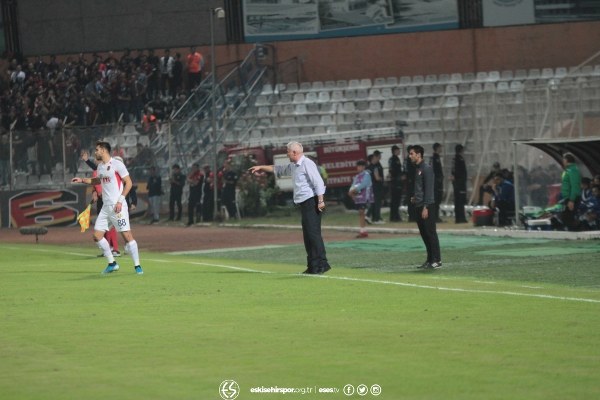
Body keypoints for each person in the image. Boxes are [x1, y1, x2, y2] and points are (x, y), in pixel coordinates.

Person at [249, 141, 331, 275]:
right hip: (304, 203)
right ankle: (312, 265)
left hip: (312, 201)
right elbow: (277, 169)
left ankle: (322, 263)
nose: (286, 153)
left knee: (313, 234)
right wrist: (261, 167)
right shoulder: (294, 166)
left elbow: (318, 182)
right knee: (307, 235)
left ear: (294, 152)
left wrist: (321, 201)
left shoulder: (307, 163)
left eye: (287, 151)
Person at [72, 141, 143, 275]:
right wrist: (82, 180)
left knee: (127, 236)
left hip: (118, 207)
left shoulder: (117, 164)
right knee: (96, 235)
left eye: (97, 150)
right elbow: (97, 180)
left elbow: (129, 183)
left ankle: (137, 266)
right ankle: (112, 263)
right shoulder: (100, 167)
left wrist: (120, 201)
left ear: (104, 150)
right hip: (106, 207)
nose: (95, 152)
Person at [81, 150, 121, 258]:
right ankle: (109, 249)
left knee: (110, 225)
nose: (95, 160)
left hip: (108, 200)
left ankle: (115, 249)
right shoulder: (98, 171)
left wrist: (87, 161)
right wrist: (95, 193)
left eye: (96, 159)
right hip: (101, 200)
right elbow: (96, 183)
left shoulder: (107, 170)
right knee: (105, 226)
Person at [409, 145, 442, 270]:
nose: (410, 156)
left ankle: (437, 260)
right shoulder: (417, 168)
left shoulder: (426, 168)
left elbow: (429, 189)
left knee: (430, 233)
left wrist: (426, 206)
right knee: (424, 234)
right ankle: (430, 259)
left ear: (419, 154)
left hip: (426, 206)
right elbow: (420, 188)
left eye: (412, 153)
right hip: (419, 205)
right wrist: (415, 198)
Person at [349, 160, 374, 238]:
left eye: (360, 166)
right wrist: (350, 191)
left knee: (361, 212)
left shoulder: (367, 175)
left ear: (363, 167)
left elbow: (364, 184)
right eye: (358, 166)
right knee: (360, 213)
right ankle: (363, 231)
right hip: (359, 197)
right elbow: (353, 185)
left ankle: (363, 231)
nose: (358, 168)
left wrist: (354, 191)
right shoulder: (357, 176)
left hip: (365, 196)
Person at [560, 152, 582, 230]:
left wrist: (572, 200)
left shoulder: (573, 170)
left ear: (566, 160)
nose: (562, 161)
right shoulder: (568, 170)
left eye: (563, 159)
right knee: (566, 217)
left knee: (567, 217)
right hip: (568, 198)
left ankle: (577, 232)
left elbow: (574, 186)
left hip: (572, 198)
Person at [451, 144, 468, 223]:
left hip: (456, 183)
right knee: (461, 201)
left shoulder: (454, 159)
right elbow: (461, 172)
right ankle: (461, 218)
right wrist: (462, 181)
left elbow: (453, 171)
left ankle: (457, 218)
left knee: (457, 201)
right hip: (460, 183)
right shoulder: (460, 159)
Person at [367, 150, 384, 224]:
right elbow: (377, 178)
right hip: (376, 186)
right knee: (377, 203)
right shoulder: (375, 167)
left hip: (371, 187)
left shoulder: (369, 167)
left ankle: (373, 217)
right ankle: (376, 219)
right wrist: (382, 178)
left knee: (374, 203)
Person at [388, 145, 403, 222]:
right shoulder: (392, 159)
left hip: (398, 182)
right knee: (394, 200)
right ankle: (393, 216)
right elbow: (392, 171)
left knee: (397, 201)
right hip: (395, 182)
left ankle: (396, 216)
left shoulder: (397, 159)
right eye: (398, 150)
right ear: (394, 151)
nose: (399, 151)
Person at [431, 143, 444, 223]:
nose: (441, 149)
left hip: (438, 181)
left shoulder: (438, 157)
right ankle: (434, 217)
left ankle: (436, 216)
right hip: (435, 182)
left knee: (438, 199)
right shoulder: (434, 158)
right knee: (436, 199)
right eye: (440, 147)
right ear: (437, 148)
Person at [404, 145, 417, 222]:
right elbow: (407, 171)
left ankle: (414, 215)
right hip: (411, 182)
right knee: (411, 198)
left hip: (414, 181)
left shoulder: (413, 159)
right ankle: (412, 216)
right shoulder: (408, 160)